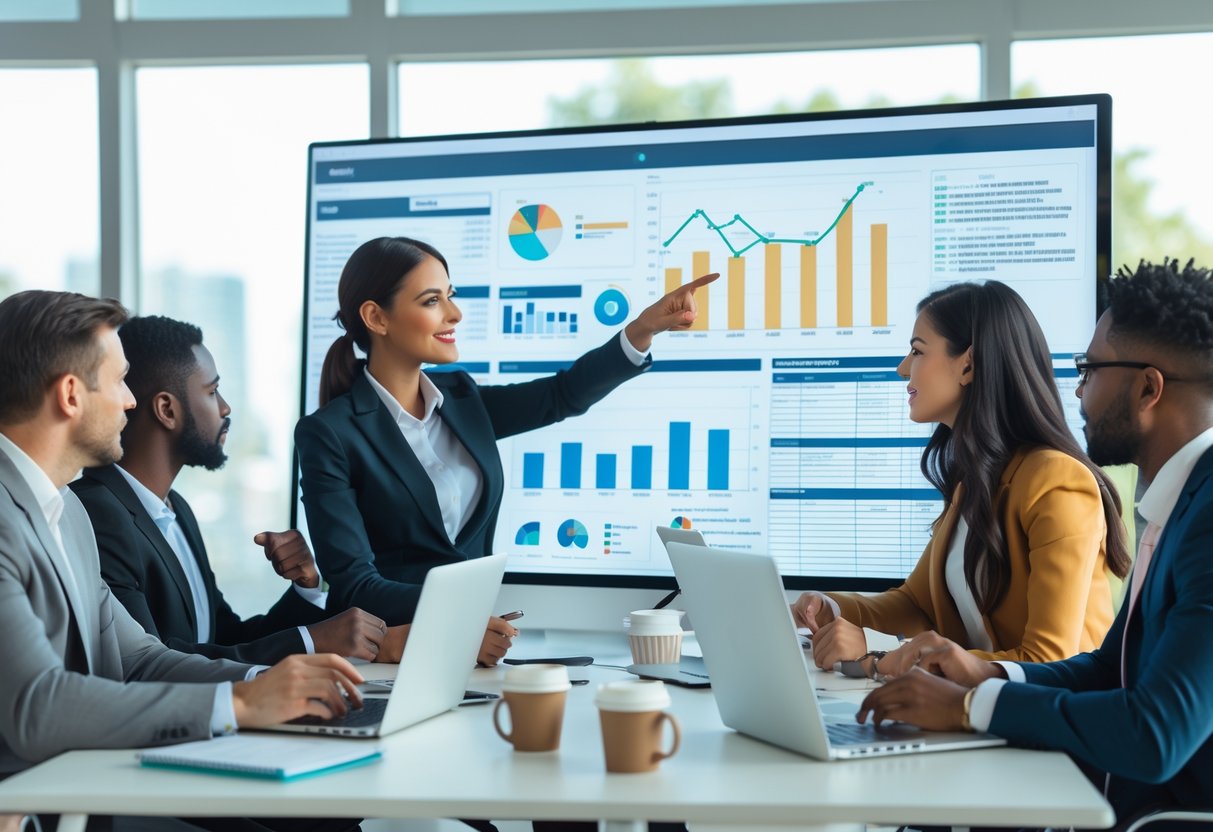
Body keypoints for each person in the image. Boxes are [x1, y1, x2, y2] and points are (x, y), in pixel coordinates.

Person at [856, 260, 1213, 829]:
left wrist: (973, 706)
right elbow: (1106, 670)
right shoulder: (1184, 500)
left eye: (1091, 369)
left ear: (1148, 388)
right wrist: (984, 677)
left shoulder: (1207, 513)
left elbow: (1156, 733)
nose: (1077, 387)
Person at [0, 290, 364, 831]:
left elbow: (140, 659)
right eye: (120, 380)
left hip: (72, 795)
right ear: (71, 395)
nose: (130, 401)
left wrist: (270, 682)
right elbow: (39, 706)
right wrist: (239, 707)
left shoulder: (66, 512)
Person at [294, 236, 716, 658]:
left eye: (451, 296)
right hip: (389, 655)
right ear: (376, 317)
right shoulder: (329, 434)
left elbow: (562, 395)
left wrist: (643, 329)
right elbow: (354, 583)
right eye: (431, 301)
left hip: (475, 649)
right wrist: (459, 616)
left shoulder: (461, 398)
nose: (454, 314)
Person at [792, 280, 1130, 677]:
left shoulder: (1056, 482)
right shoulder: (974, 481)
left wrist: (882, 658)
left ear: (968, 364)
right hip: (976, 712)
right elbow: (916, 604)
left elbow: (1048, 662)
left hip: (1046, 726)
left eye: (917, 351)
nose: (904, 368)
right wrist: (828, 608)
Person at [71, 315, 405, 666]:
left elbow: (226, 640)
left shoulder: (175, 510)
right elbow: (149, 664)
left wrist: (307, 590)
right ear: (167, 410)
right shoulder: (97, 514)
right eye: (212, 391)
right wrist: (310, 641)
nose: (225, 407)